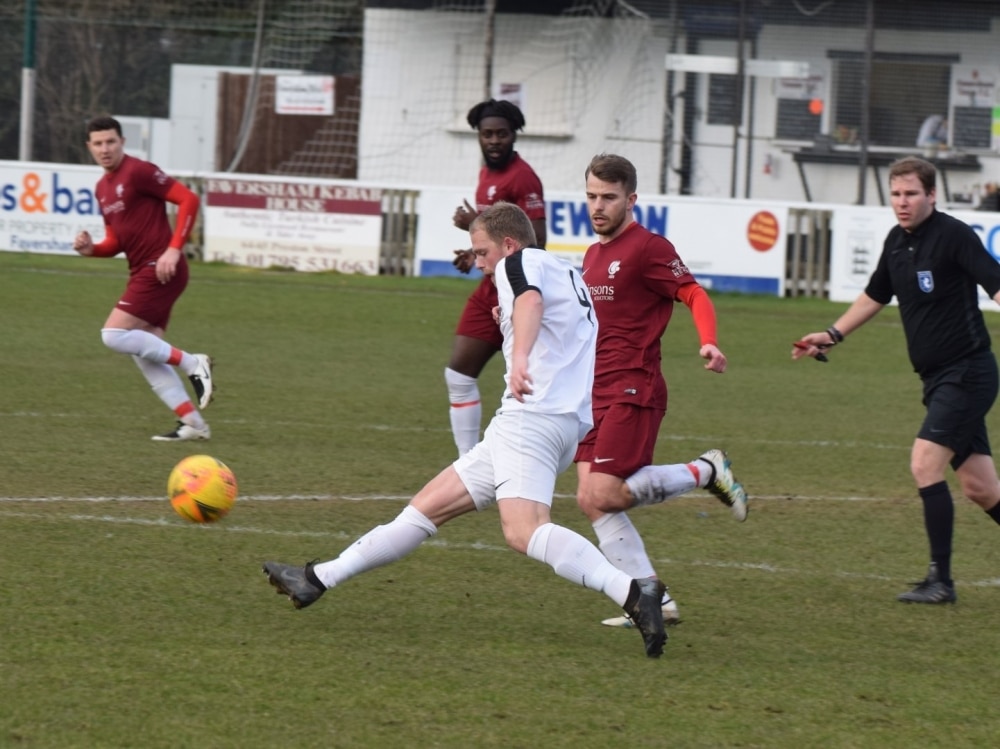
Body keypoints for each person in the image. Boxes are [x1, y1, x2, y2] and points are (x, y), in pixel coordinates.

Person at [264, 202, 668, 658]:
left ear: (509, 244)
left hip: (531, 418)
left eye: (481, 252)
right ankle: (317, 579)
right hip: (548, 422)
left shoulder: (518, 264)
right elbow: (551, 319)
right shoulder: (566, 271)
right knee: (422, 512)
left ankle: (635, 593)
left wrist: (517, 360)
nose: (477, 263)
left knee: (524, 531)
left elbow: (531, 302)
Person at [793, 155, 1000, 605]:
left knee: (925, 462)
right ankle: (940, 580)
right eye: (896, 194)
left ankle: (940, 582)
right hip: (938, 380)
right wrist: (832, 334)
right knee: (981, 488)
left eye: (911, 194)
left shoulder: (954, 236)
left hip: (967, 373)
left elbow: (996, 283)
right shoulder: (895, 241)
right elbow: (874, 295)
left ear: (932, 195)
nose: (902, 203)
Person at [573, 154, 749, 629]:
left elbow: (693, 293)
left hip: (634, 386)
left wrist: (708, 340)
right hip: (592, 393)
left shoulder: (648, 247)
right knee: (589, 499)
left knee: (605, 493)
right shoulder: (592, 255)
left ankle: (705, 470)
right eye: (591, 196)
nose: (598, 206)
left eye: (608, 197)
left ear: (631, 199)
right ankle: (655, 600)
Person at [72, 115, 214, 441]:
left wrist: (174, 249)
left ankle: (194, 363)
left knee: (112, 334)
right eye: (98, 143)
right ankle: (194, 424)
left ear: (122, 142)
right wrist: (91, 249)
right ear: (89, 147)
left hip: (161, 267)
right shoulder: (102, 188)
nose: (105, 149)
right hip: (145, 269)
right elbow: (115, 242)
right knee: (144, 351)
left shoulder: (139, 171)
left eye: (111, 141)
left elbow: (188, 199)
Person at [445, 99, 547, 457]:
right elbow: (497, 237)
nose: (494, 141)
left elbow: (536, 243)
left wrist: (473, 222)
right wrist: (474, 251)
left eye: (502, 134)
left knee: (524, 382)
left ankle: (532, 449)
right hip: (489, 285)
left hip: (513, 291)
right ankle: (468, 462)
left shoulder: (523, 178)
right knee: (458, 375)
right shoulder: (486, 173)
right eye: (487, 134)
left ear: (514, 135)